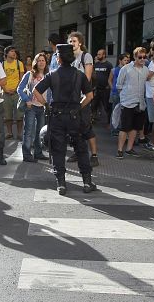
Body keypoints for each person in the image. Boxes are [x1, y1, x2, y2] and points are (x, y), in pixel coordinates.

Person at [33, 43, 96, 195]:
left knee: (58, 150)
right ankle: (87, 182)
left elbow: (36, 91)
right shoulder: (79, 75)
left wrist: (47, 105)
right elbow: (90, 96)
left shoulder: (52, 75)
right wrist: (79, 107)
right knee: (81, 149)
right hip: (75, 116)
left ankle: (61, 183)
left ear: (59, 59)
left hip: (57, 116)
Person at [66, 32, 99, 166]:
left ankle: (94, 155)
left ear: (80, 43)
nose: (72, 43)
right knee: (73, 127)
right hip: (71, 99)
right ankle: (77, 151)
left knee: (86, 127)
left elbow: (87, 78)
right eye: (70, 41)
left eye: (74, 41)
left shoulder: (86, 56)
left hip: (83, 97)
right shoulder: (68, 58)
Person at [115, 47, 151, 158]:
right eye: (140, 57)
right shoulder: (125, 69)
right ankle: (120, 150)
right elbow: (119, 85)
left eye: (144, 57)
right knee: (125, 128)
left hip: (140, 103)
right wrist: (124, 98)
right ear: (135, 57)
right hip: (127, 102)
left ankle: (129, 149)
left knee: (136, 127)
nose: (142, 59)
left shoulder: (146, 70)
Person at [18, 52, 48, 162]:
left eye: (43, 60)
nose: (41, 62)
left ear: (46, 62)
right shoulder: (29, 74)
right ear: (35, 62)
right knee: (29, 131)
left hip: (42, 107)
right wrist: (27, 100)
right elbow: (19, 89)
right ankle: (26, 154)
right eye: (39, 60)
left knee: (40, 132)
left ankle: (38, 153)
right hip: (31, 107)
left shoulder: (48, 75)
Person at [1, 45, 26, 140]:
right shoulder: (2, 64)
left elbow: (22, 78)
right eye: (11, 51)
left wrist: (16, 89)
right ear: (6, 53)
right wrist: (5, 89)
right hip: (5, 92)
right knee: (7, 115)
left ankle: (19, 133)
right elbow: (0, 78)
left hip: (17, 93)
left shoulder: (19, 64)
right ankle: (9, 132)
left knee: (19, 115)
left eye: (14, 51)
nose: (14, 53)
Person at [91, 49, 113, 125]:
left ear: (104, 55)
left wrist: (108, 86)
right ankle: (92, 120)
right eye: (97, 54)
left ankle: (108, 122)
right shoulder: (96, 65)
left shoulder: (108, 65)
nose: (98, 56)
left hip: (105, 89)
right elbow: (93, 76)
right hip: (97, 89)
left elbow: (111, 76)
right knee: (94, 105)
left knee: (107, 106)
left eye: (99, 54)